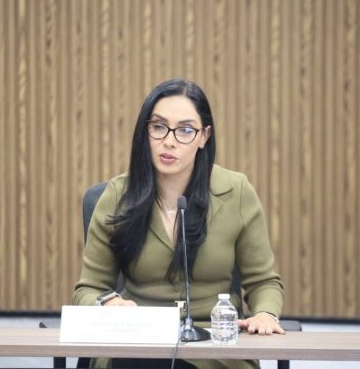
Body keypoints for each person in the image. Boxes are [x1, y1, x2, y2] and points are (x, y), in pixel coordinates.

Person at [72, 78, 284, 368]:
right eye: (159, 127)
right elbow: (88, 289)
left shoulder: (236, 192)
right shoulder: (118, 195)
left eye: (185, 130)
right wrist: (109, 304)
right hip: (138, 340)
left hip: (213, 343)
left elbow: (264, 281)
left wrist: (265, 314)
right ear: (145, 132)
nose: (169, 141)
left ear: (204, 136)